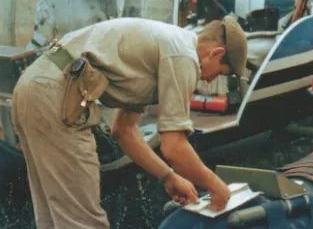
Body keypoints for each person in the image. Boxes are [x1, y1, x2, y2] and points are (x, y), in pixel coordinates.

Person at [11, 17, 247, 229]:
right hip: (57, 96)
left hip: (34, 87)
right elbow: (174, 147)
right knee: (84, 222)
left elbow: (124, 131)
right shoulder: (183, 56)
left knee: (55, 218)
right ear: (216, 54)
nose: (211, 80)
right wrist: (217, 186)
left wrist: (169, 177)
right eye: (221, 72)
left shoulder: (166, 44)